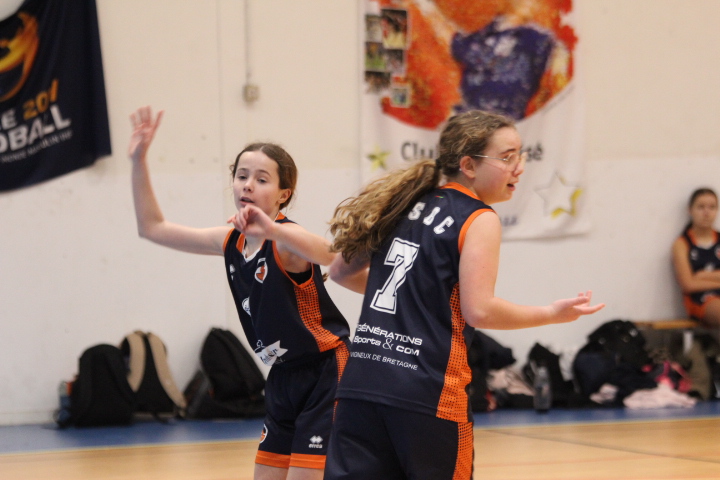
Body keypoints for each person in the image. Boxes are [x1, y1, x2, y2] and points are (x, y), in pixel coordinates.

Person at [323, 109, 604, 480]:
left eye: (520, 156)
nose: (519, 167)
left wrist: (413, 295)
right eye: (507, 157)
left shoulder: (403, 203)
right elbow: (480, 311)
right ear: (469, 165)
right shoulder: (478, 217)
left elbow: (339, 272)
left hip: (361, 383)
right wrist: (551, 314)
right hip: (427, 389)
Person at [128, 106, 349, 480]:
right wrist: (138, 161)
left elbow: (332, 255)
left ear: (283, 194)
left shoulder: (286, 242)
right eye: (241, 175)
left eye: (262, 179)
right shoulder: (230, 240)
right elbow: (152, 228)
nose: (247, 185)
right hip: (281, 375)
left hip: (324, 371)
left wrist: (274, 230)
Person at [672, 187, 720, 326]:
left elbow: (695, 279)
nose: (706, 212)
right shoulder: (682, 243)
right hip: (701, 299)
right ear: (690, 210)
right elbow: (688, 284)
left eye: (712, 207)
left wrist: (703, 275)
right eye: (701, 207)